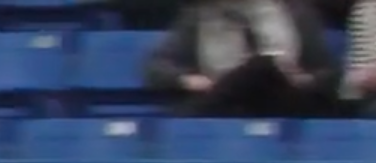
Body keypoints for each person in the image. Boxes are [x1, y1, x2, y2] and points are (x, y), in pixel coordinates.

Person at [144, 0, 340, 117]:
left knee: (262, 66)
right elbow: (155, 69)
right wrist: (188, 80)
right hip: (226, 104)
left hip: (283, 100)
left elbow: (329, 72)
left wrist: (307, 80)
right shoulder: (197, 17)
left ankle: (189, 119)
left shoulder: (297, 13)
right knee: (254, 70)